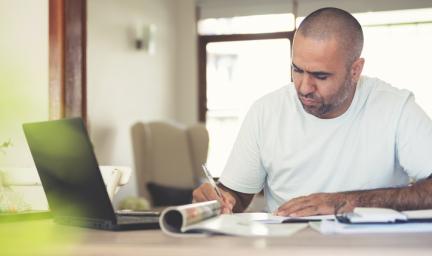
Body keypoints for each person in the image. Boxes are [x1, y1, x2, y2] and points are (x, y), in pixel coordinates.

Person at [193, 7, 432, 217]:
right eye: (297, 70)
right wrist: (219, 200)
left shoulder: (396, 108)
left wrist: (346, 202)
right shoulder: (266, 111)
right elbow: (237, 196)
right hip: (289, 247)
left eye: (320, 76)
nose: (304, 87)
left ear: (355, 70)